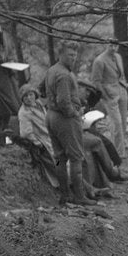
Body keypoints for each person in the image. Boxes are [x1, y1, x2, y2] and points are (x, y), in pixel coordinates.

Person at [44, 40, 96, 206]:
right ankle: (79, 196)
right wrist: (75, 113)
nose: (73, 58)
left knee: (59, 157)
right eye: (70, 55)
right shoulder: (64, 75)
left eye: (75, 55)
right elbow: (64, 102)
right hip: (64, 119)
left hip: (51, 116)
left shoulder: (52, 70)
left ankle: (65, 195)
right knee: (76, 157)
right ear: (61, 54)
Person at [16, 83, 71, 204]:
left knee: (68, 162)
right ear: (22, 99)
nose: (29, 98)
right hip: (44, 144)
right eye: (25, 97)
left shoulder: (39, 104)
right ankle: (67, 192)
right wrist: (38, 143)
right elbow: (25, 133)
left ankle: (83, 189)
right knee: (57, 165)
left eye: (30, 95)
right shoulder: (24, 113)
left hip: (52, 138)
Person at [90, 41, 128, 154]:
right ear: (106, 45)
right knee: (116, 123)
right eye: (110, 45)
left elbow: (121, 75)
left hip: (121, 91)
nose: (113, 48)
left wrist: (124, 87)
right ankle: (117, 154)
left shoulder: (118, 57)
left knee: (123, 123)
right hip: (109, 95)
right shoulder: (99, 61)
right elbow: (96, 82)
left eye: (115, 45)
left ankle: (121, 151)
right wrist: (106, 96)